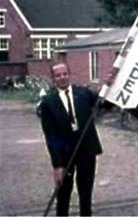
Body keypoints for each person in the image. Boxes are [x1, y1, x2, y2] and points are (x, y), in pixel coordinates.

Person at [39, 61, 103, 216]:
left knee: (85, 192)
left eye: (64, 74)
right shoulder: (48, 102)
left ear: (69, 74)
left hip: (86, 149)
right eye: (58, 75)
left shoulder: (83, 93)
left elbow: (104, 104)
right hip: (65, 152)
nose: (62, 77)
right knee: (63, 193)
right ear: (53, 78)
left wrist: (110, 86)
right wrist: (57, 165)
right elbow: (51, 137)